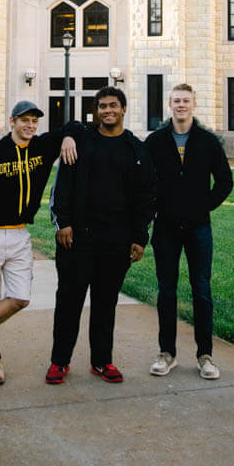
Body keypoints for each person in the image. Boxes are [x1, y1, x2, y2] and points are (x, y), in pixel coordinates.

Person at [0, 101, 80, 385]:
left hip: (20, 234)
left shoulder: (43, 147)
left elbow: (74, 125)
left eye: (34, 121)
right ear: (12, 121)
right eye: (25, 120)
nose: (30, 126)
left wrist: (68, 137)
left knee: (20, 298)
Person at [45, 87, 155, 385]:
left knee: (106, 304)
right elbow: (61, 186)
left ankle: (102, 362)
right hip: (76, 239)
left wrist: (139, 237)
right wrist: (62, 224)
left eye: (113, 106)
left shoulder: (135, 149)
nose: (108, 110)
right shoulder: (81, 139)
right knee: (68, 302)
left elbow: (145, 199)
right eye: (102, 106)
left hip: (116, 241)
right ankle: (59, 362)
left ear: (123, 109)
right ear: (97, 110)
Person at [145, 83, 233, 380]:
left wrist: (202, 206)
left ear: (193, 105)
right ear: (169, 105)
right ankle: (166, 353)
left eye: (186, 101)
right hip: (166, 229)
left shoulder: (207, 142)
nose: (181, 105)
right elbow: (143, 181)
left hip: (199, 229)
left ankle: (205, 355)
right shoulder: (156, 141)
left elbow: (224, 182)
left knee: (202, 291)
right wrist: (157, 206)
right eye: (176, 101)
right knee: (166, 291)